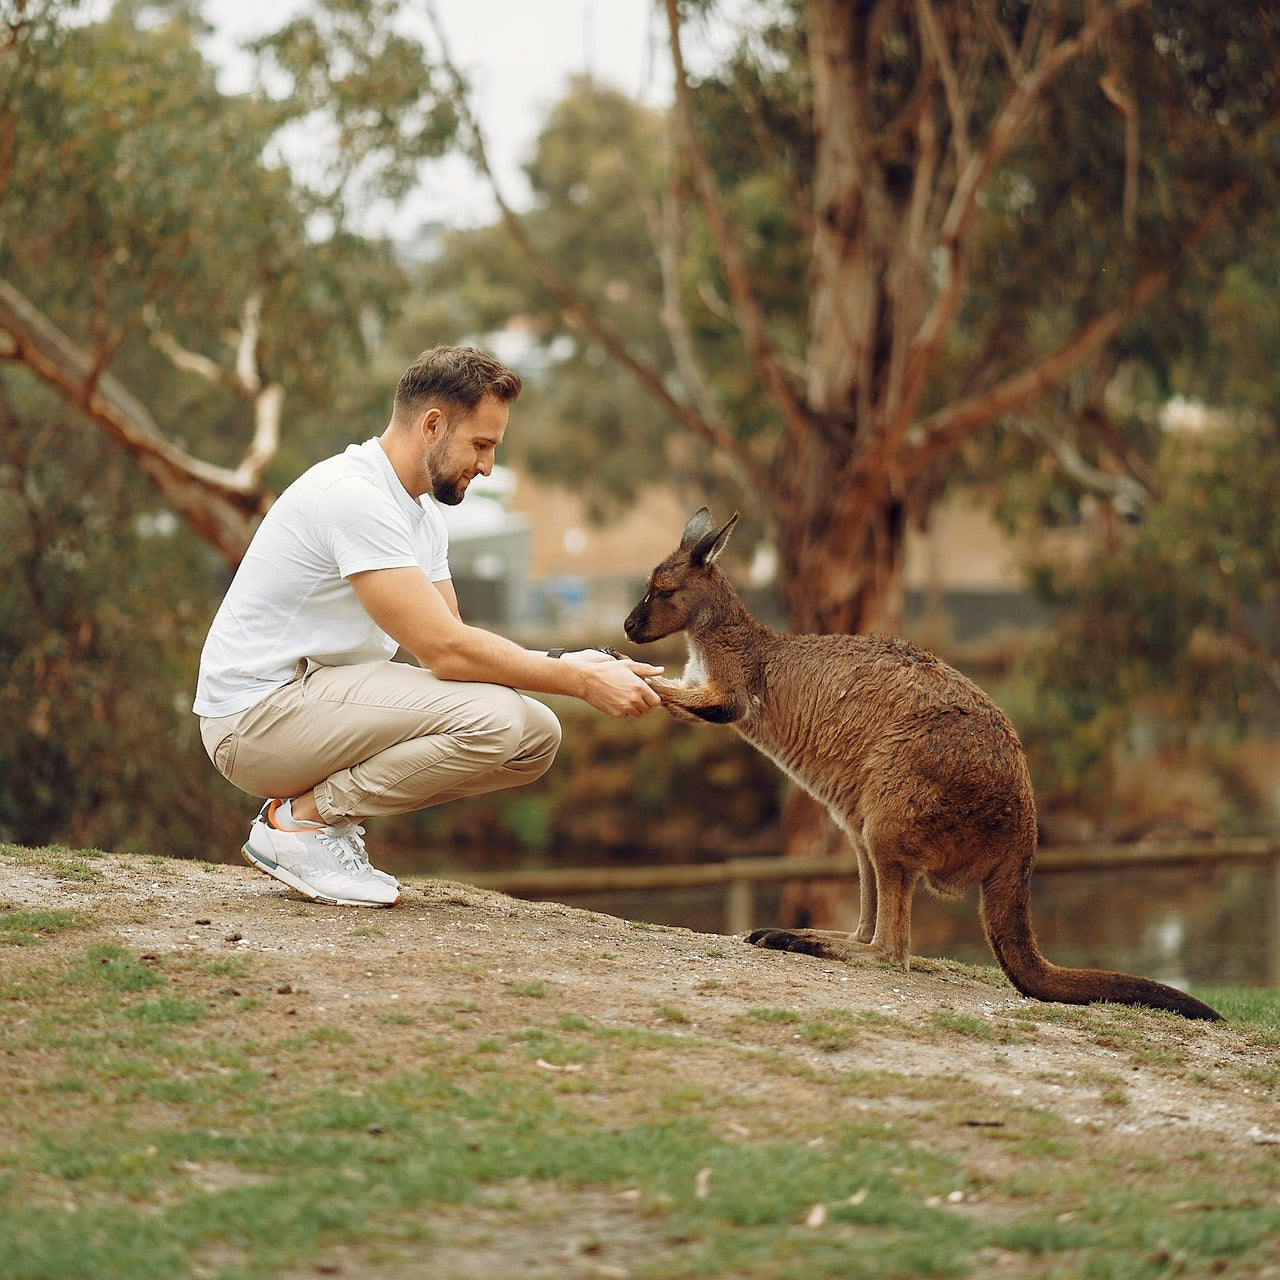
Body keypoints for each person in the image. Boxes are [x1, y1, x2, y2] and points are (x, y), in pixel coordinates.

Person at [193, 344, 662, 907]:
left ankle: (311, 822)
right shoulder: (354, 498)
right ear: (433, 426)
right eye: (481, 445)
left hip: (310, 702)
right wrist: (579, 683)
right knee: (493, 720)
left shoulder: (419, 515)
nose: (486, 466)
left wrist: (573, 663)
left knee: (535, 737)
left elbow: (456, 642)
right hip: (253, 720)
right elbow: (445, 653)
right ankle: (301, 826)